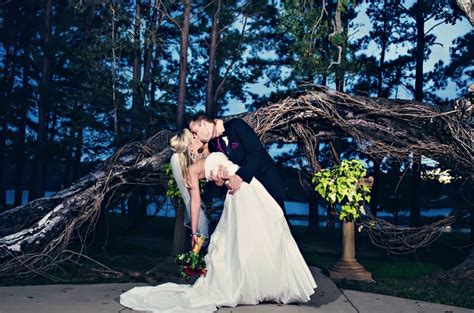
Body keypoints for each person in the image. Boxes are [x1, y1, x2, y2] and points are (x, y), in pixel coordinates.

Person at [120, 129, 316, 312]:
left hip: (248, 186)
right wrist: (195, 232)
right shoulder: (191, 170)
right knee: (255, 236)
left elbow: (220, 179)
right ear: (190, 147)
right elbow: (195, 202)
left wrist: (220, 179)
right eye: (193, 137)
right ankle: (258, 286)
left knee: (267, 230)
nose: (197, 136)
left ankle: (267, 283)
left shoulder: (209, 152)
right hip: (240, 194)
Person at [188, 114, 294, 232]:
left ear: (203, 124)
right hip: (245, 194)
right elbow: (220, 182)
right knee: (258, 230)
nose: (195, 135)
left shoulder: (236, 126)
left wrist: (239, 177)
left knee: (280, 224)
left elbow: (256, 152)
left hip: (266, 182)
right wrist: (219, 181)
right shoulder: (212, 146)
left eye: (195, 131)